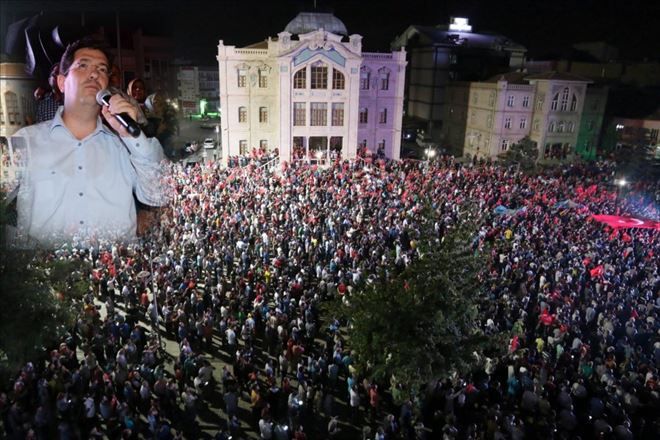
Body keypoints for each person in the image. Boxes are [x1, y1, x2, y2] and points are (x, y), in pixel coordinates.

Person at [12, 37, 168, 247]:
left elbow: (160, 195)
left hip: (114, 271)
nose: (94, 73)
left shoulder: (126, 147)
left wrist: (132, 136)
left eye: (102, 69)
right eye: (83, 65)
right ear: (61, 82)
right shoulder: (26, 141)